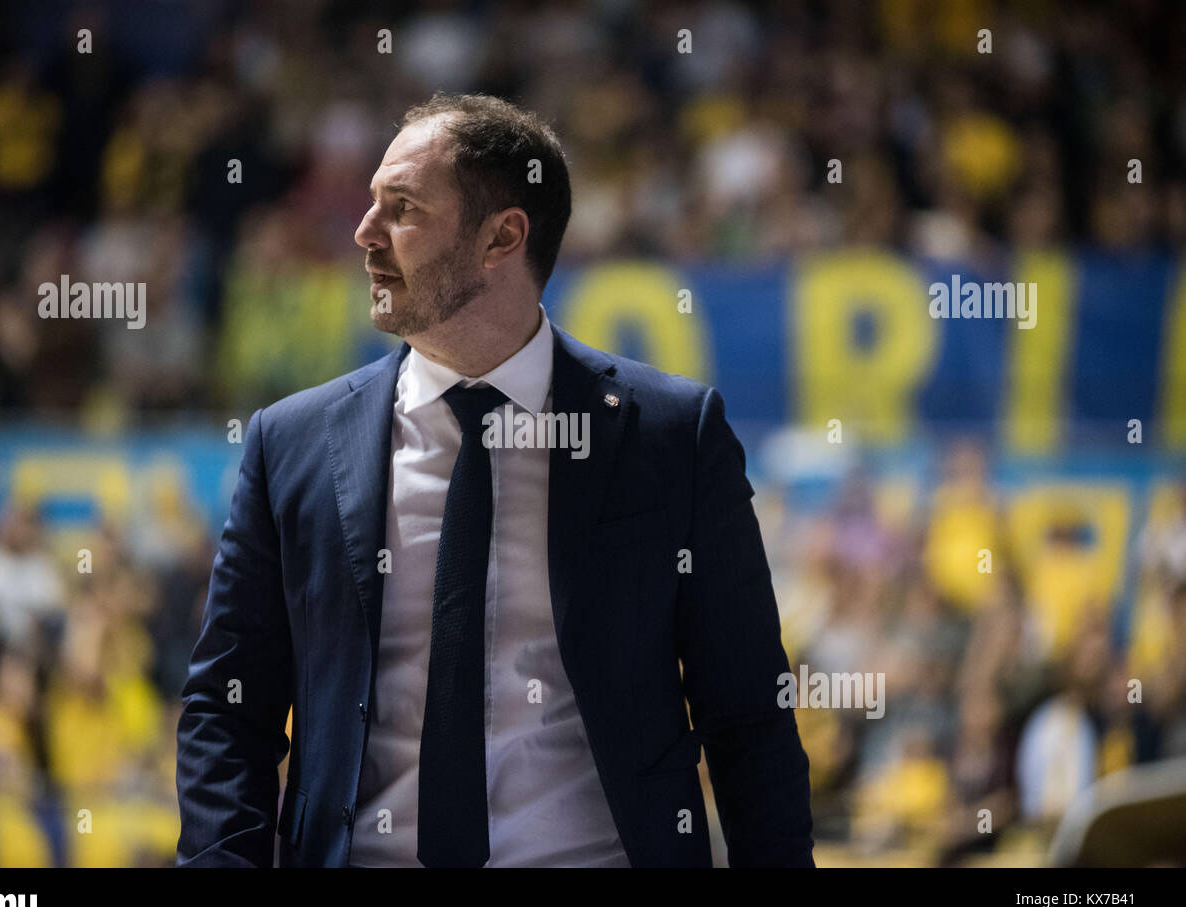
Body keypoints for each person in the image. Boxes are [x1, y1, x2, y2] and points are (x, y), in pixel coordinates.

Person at [176, 92, 813, 867]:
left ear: (502, 237)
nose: (363, 232)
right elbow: (227, 708)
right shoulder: (291, 442)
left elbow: (748, 713)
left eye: (401, 208)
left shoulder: (672, 437)